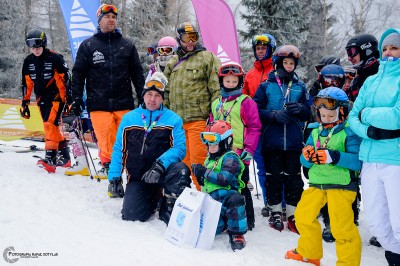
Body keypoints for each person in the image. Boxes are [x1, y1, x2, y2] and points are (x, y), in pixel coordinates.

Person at [286, 87, 362, 266]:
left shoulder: (349, 132)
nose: (326, 119)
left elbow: (358, 162)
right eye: (323, 115)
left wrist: (334, 157)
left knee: (341, 227)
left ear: (342, 112)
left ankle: (348, 262)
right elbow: (305, 162)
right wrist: (306, 156)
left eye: (331, 116)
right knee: (303, 216)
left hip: (341, 186)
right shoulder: (315, 131)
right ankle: (309, 252)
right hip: (316, 183)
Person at [71, 4, 145, 179]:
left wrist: (143, 94)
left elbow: (137, 72)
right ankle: (112, 173)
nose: (111, 20)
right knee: (107, 141)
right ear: (99, 21)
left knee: (128, 140)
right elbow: (78, 73)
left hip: (124, 102)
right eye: (107, 17)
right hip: (99, 103)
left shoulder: (127, 45)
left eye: (114, 17)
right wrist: (75, 97)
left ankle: (127, 173)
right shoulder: (88, 45)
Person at [107, 72, 191, 224]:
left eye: (157, 95)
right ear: (143, 95)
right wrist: (114, 178)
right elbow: (119, 149)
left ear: (163, 98)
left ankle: (169, 203)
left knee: (180, 169)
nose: (152, 99)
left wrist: (159, 165)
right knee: (132, 215)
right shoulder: (129, 118)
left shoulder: (173, 119)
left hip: (162, 173)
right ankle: (154, 196)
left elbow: (179, 148)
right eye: (149, 94)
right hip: (139, 177)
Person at [348, 28, 400, 265]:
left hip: (395, 158)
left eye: (395, 48)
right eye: (386, 48)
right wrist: (368, 129)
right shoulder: (370, 81)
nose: (389, 52)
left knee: (399, 223)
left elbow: (397, 118)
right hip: (370, 157)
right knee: (378, 224)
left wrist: (367, 113)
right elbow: (352, 118)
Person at [253, 45, 310, 233]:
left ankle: (293, 212)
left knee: (294, 178)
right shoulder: (266, 86)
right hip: (272, 140)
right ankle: (275, 210)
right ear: (278, 63)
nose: (288, 66)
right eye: (285, 62)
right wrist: (272, 114)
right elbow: (255, 110)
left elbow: (309, 112)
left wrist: (301, 110)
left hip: (293, 141)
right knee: (273, 177)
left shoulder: (300, 86)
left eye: (291, 63)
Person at [163, 21, 221, 190]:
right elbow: (165, 91)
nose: (190, 41)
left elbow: (216, 88)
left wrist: (215, 117)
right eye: (186, 37)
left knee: (199, 160)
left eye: (193, 37)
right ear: (179, 39)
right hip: (177, 123)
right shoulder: (172, 62)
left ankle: (202, 194)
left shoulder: (207, 58)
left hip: (199, 120)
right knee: (182, 162)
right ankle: (185, 196)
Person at [209, 62, 261, 230]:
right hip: (218, 153)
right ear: (221, 81)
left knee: (241, 185)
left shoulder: (246, 102)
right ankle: (224, 218)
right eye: (227, 81)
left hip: (238, 153)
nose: (230, 84)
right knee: (222, 185)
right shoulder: (216, 103)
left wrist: (249, 149)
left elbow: (254, 127)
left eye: (234, 81)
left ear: (239, 82)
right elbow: (210, 125)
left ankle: (248, 219)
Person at [345, 32, 381, 248]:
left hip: (382, 137)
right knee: (371, 185)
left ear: (366, 50)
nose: (350, 57)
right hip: (364, 135)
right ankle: (382, 227)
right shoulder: (361, 73)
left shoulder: (377, 71)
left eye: (352, 52)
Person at [191, 120, 247, 251]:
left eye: (214, 141)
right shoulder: (210, 157)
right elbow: (207, 182)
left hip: (226, 197)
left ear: (225, 141)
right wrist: (200, 176)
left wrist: (204, 172)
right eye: (207, 141)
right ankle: (223, 224)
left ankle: (237, 234)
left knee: (236, 200)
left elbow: (224, 179)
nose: (210, 145)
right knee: (209, 230)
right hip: (213, 201)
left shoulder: (230, 158)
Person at [20, 29, 71, 173]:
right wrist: (25, 103)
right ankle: (65, 158)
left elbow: (67, 78)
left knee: (49, 124)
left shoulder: (55, 58)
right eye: (32, 46)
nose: (35, 49)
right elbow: (27, 83)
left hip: (57, 97)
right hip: (41, 98)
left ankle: (50, 158)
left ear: (43, 44)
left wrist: (69, 99)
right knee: (51, 126)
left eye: (37, 45)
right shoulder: (28, 61)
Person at [242, 33, 277, 215]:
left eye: (264, 48)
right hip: (255, 128)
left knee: (276, 167)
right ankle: (268, 202)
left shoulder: (277, 71)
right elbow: (244, 99)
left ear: (271, 49)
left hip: (273, 126)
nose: (261, 51)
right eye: (258, 48)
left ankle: (282, 202)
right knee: (261, 166)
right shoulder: (250, 74)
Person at [345, 33, 380, 102]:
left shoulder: (381, 72)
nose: (349, 58)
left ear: (365, 51)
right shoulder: (357, 79)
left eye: (351, 53)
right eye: (348, 53)